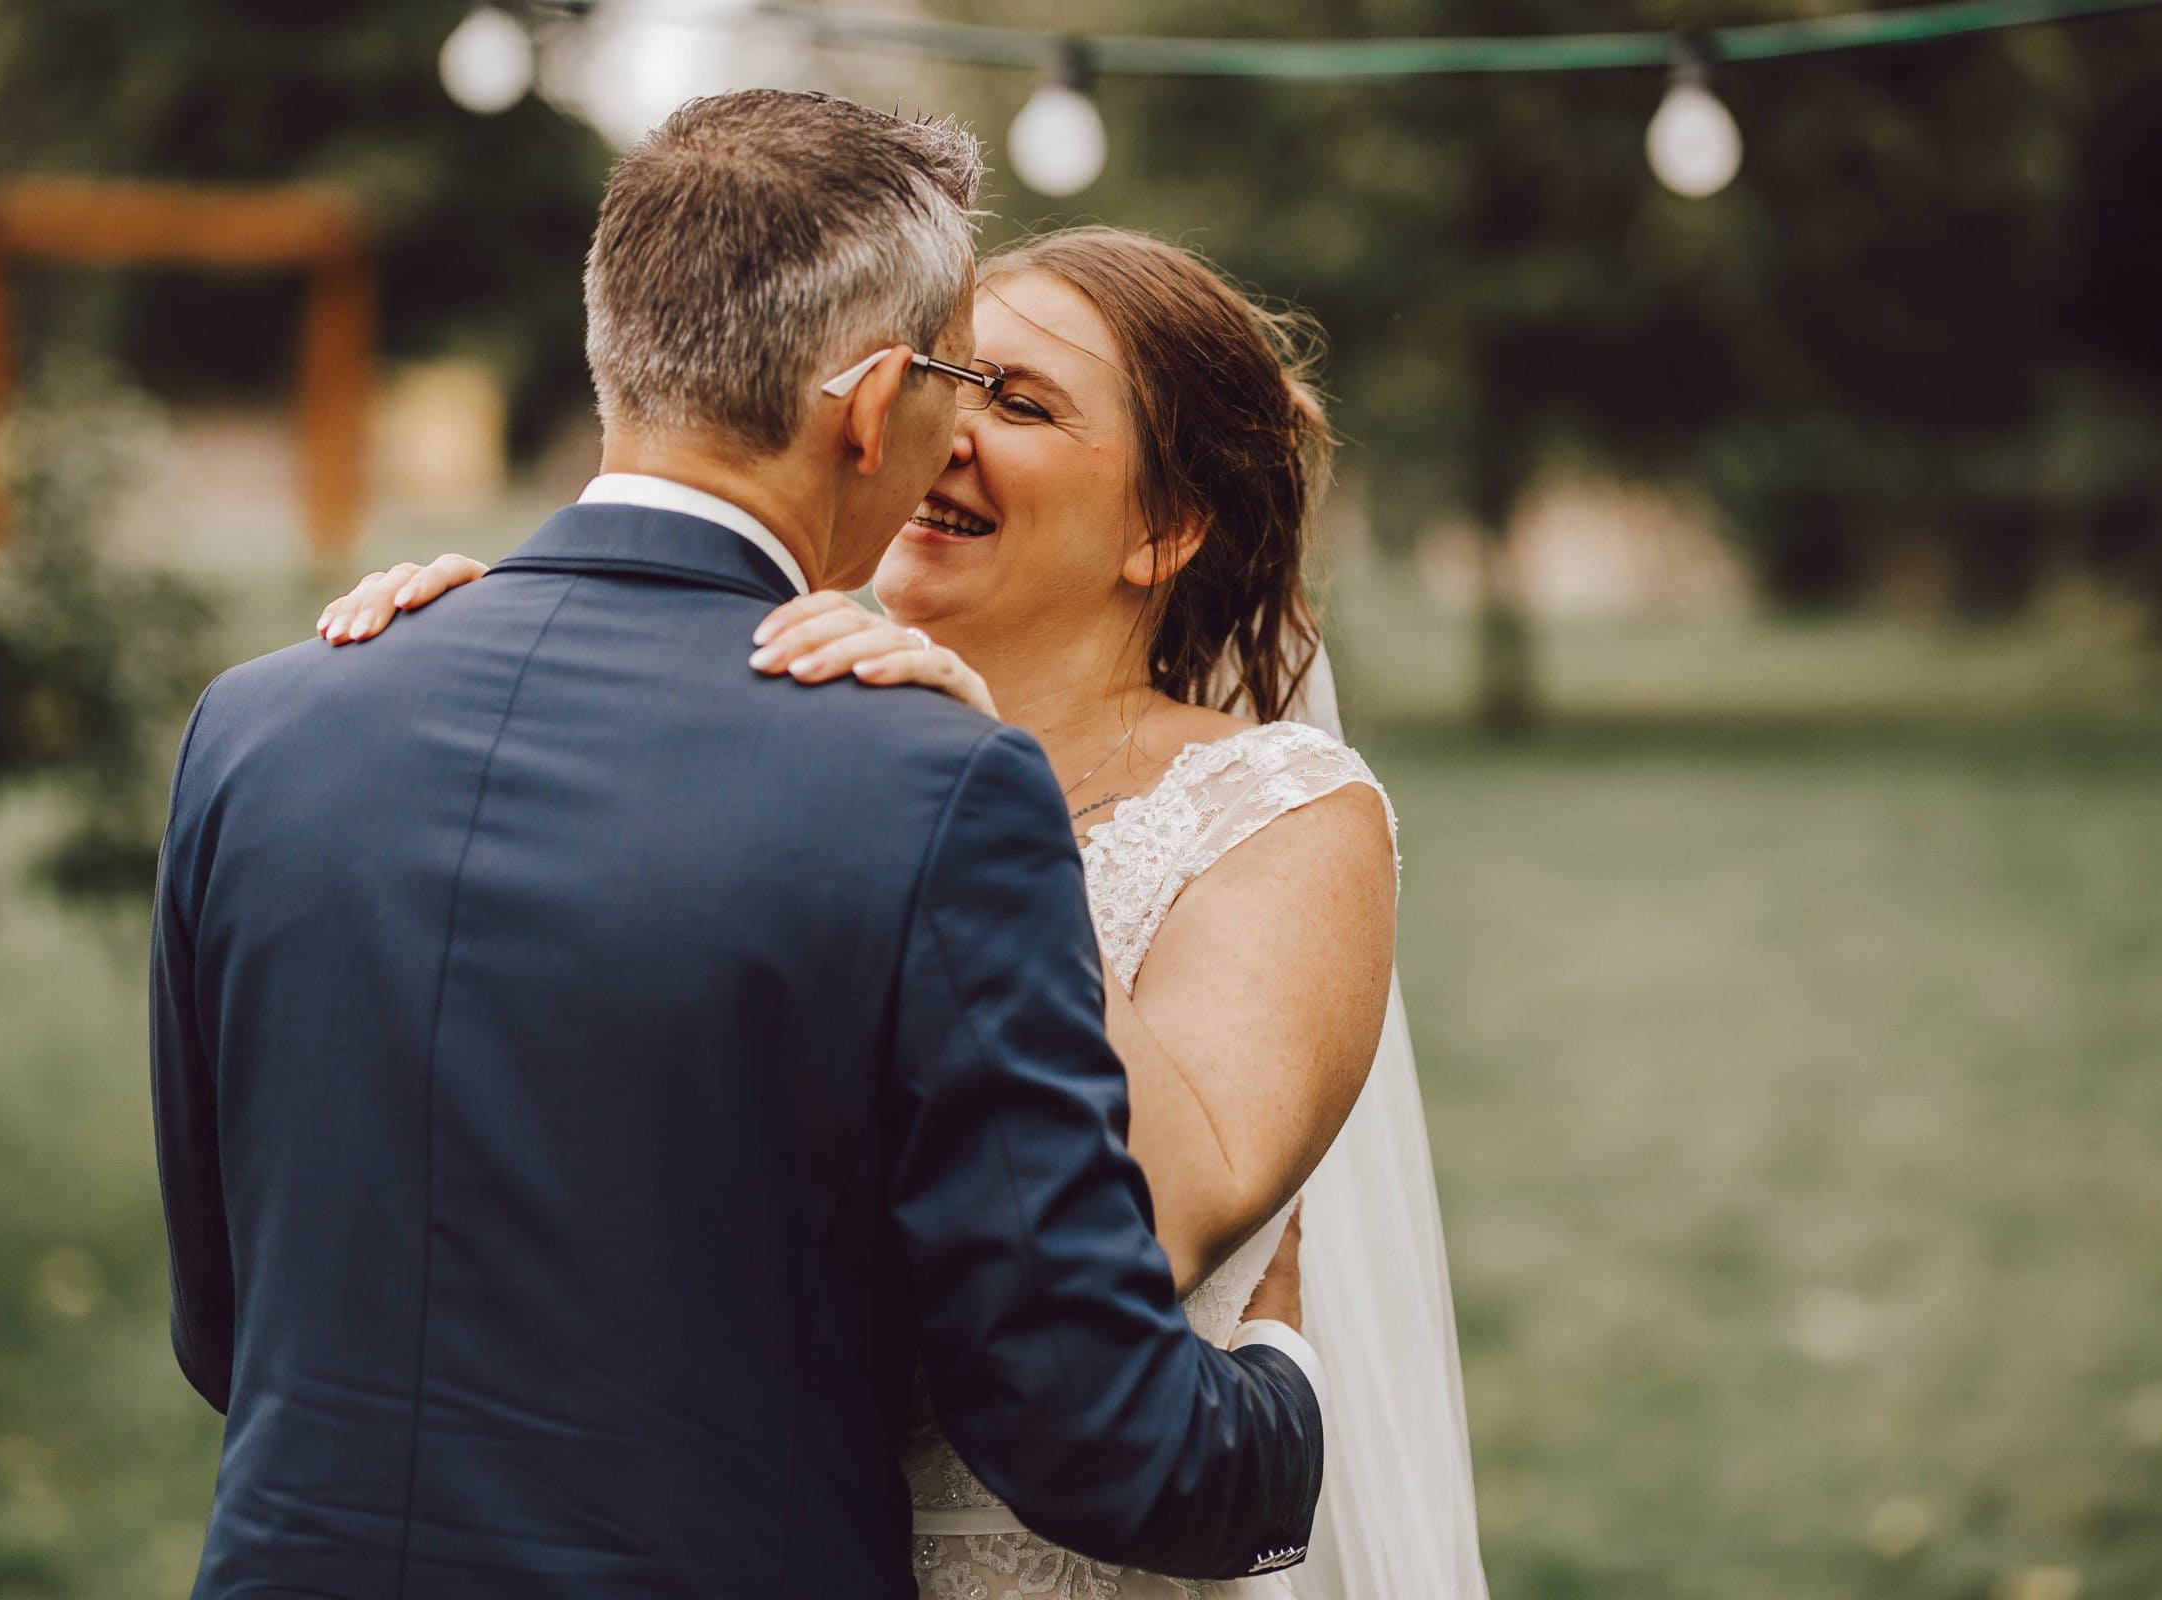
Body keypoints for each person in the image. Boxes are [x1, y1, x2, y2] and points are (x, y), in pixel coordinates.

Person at [152, 94, 1331, 1600]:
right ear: (870, 404)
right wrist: (1284, 1395)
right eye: (957, 381)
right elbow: (1094, 1433)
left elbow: (227, 1331)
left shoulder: (262, 721)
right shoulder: (927, 788)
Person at [319, 226, 1491, 1598]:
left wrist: (981, 811)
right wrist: (471, 663)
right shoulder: (790, 724)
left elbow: (1160, 1210)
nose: (953, 431)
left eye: (1026, 403)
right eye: (949, 378)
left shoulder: (1286, 812)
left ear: (1164, 529)